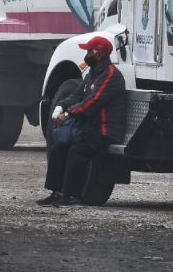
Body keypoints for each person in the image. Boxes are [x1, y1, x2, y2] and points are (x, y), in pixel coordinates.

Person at [37, 35, 127, 207]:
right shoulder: (92, 73)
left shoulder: (111, 76)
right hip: (88, 129)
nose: (86, 54)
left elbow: (93, 102)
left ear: (99, 54)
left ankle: (71, 196)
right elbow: (77, 94)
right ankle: (56, 192)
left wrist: (68, 114)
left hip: (104, 132)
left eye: (88, 51)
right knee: (58, 147)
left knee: (77, 151)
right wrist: (60, 106)